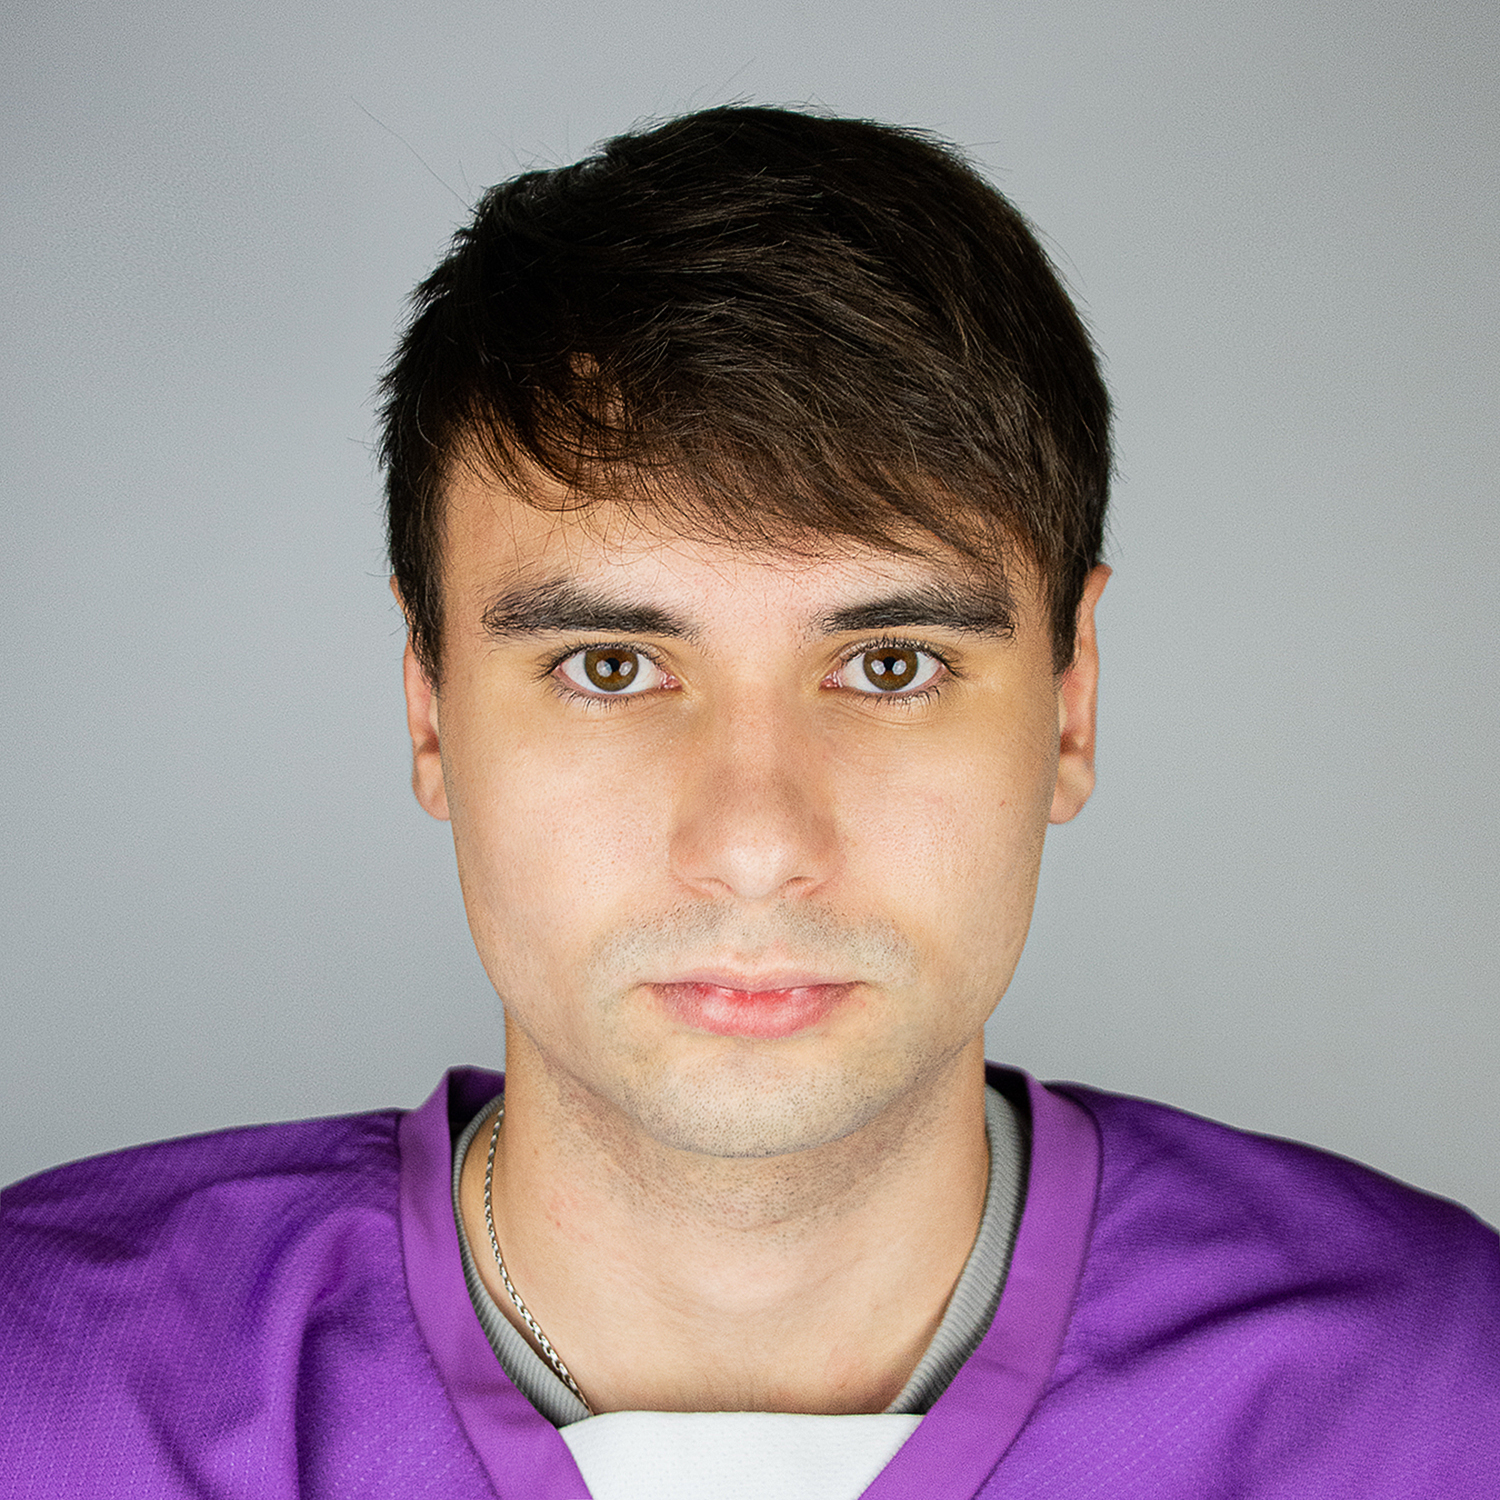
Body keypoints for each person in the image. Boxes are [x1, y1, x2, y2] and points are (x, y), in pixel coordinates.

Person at [2, 105, 1496, 1500]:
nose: (757, 843)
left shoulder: (1438, 1401)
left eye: (892, 664)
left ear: (1072, 700)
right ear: (431, 708)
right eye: (609, 666)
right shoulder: (49, 1389)